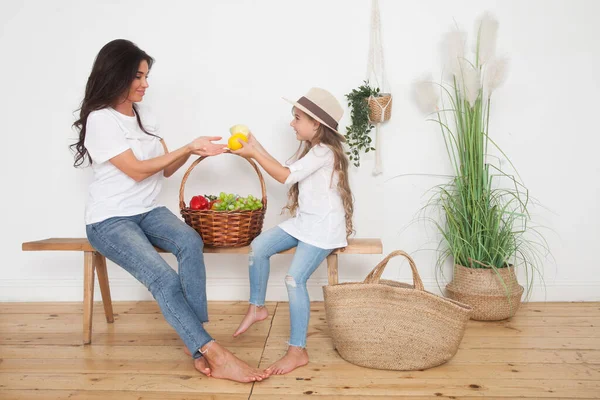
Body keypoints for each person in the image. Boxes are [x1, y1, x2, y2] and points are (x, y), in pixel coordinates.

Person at [71, 39, 269, 383]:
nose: (145, 84)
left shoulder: (144, 114)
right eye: (138, 76)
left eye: (146, 76)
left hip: (147, 210)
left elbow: (165, 170)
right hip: (109, 219)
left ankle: (196, 339)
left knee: (190, 243)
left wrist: (195, 151)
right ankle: (213, 352)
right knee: (162, 277)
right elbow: (136, 169)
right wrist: (186, 146)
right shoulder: (100, 120)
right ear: (117, 75)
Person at [231, 88, 354, 374]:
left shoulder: (324, 152)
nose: (292, 123)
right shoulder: (314, 150)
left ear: (316, 125)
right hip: (305, 223)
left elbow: (286, 177)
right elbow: (286, 168)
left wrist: (253, 153)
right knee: (259, 247)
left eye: (297, 118)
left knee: (294, 279)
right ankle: (257, 307)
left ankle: (297, 350)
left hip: (323, 229)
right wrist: (255, 145)